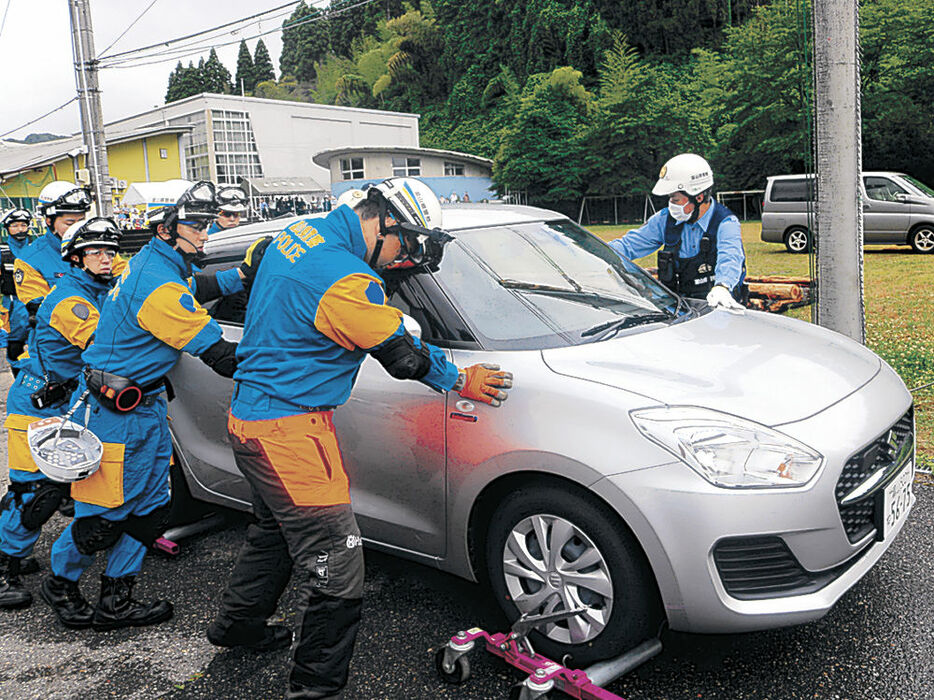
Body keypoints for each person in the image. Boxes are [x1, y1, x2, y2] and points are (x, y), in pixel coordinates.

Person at [206, 177, 514, 700]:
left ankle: (238, 626)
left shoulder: (301, 233)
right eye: (407, 244)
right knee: (336, 563)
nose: (405, 257)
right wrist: (461, 378)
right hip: (288, 433)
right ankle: (314, 689)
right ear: (382, 222)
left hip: (253, 420)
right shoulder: (347, 281)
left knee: (274, 532)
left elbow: (263, 267)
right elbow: (404, 357)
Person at [41, 181, 269, 630]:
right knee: (102, 516)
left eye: (207, 224)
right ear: (167, 228)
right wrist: (290, 358)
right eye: (197, 226)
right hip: (115, 416)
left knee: (148, 508)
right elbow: (221, 357)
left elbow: (196, 284)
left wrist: (243, 274)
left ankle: (116, 600)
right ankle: (60, 586)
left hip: (141, 408)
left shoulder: (153, 261)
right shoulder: (159, 289)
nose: (206, 234)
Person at [0, 218, 123, 610]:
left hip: (70, 404)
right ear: (75, 257)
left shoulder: (101, 289)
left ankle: (13, 551)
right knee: (34, 495)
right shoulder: (71, 301)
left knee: (64, 489)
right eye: (96, 252)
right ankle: (4, 567)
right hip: (36, 405)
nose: (106, 259)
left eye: (110, 251)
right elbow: (107, 346)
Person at [607, 153, 747, 311]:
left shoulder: (726, 223)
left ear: (699, 197)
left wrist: (722, 286)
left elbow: (731, 257)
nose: (671, 204)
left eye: (676, 200)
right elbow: (627, 246)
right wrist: (593, 252)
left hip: (718, 306)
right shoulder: (665, 220)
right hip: (678, 310)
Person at [1, 208, 34, 376]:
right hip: (13, 305)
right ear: (7, 228)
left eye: (23, 225)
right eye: (15, 225)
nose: (20, 229)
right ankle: (19, 383)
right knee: (14, 347)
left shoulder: (37, 249)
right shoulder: (2, 251)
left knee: (42, 344)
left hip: (37, 303)